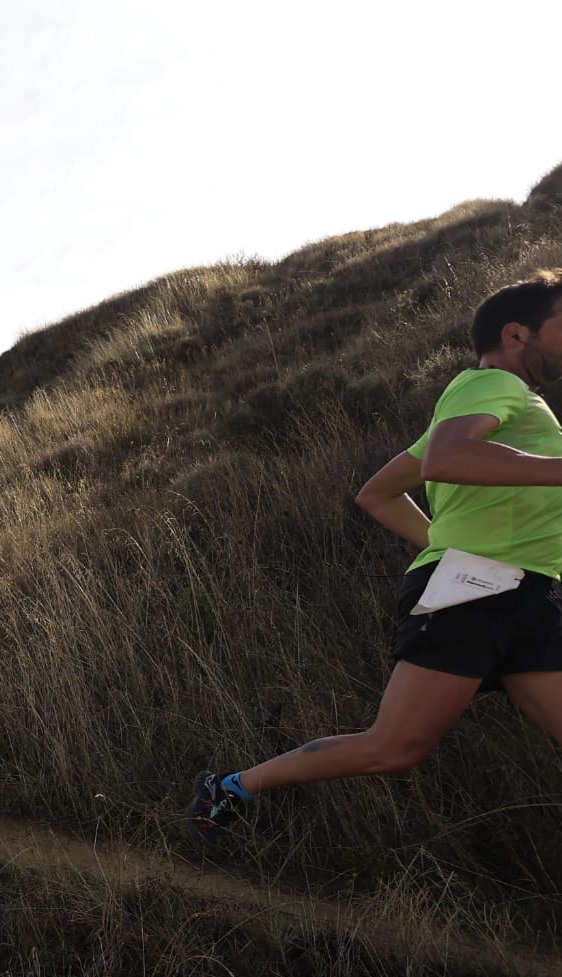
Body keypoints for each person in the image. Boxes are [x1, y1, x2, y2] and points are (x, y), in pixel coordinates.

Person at [189, 271, 562, 842]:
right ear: (517, 333)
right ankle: (231, 787)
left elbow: (378, 493)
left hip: (528, 592)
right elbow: (447, 457)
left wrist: (449, 543)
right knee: (394, 748)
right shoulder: (491, 386)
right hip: (477, 592)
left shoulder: (508, 406)